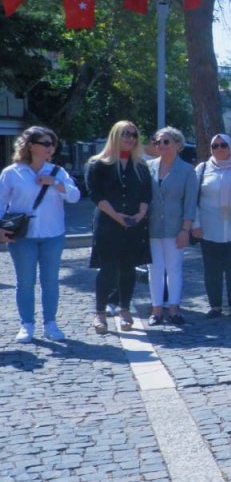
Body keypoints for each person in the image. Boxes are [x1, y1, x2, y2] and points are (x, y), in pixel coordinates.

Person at [1, 126, 79, 342]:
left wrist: (55, 184)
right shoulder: (12, 172)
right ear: (31, 146)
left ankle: (50, 323)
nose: (50, 148)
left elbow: (75, 196)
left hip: (53, 234)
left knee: (50, 281)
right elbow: (0, 201)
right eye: (46, 143)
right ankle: (27, 324)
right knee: (25, 281)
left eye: (53, 144)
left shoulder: (57, 172)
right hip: (22, 236)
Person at [87, 121, 152, 333]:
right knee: (107, 269)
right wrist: (117, 216)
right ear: (116, 135)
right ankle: (100, 312)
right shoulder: (98, 164)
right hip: (108, 223)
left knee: (128, 268)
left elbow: (146, 194)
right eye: (126, 134)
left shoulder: (141, 166)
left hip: (133, 224)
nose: (131, 138)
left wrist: (140, 215)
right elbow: (95, 194)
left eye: (134, 135)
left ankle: (125, 309)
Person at [145, 127, 198, 326]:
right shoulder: (148, 166)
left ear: (177, 144)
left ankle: (174, 308)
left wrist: (186, 229)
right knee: (154, 269)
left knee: (174, 268)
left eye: (166, 142)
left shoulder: (187, 170)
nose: (161, 146)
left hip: (176, 227)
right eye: (158, 142)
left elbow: (190, 202)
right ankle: (156, 310)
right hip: (152, 227)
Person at [192, 133, 231, 318]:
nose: (220, 149)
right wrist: (195, 224)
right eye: (215, 146)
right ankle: (215, 306)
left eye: (224, 145)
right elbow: (193, 199)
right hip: (209, 227)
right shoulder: (202, 168)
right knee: (212, 269)